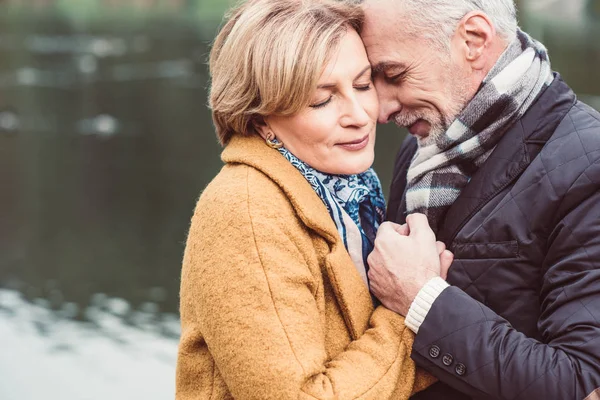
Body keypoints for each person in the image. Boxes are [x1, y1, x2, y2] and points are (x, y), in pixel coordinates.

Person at [175, 0, 452, 398]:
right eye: (322, 100)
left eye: (362, 85)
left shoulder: (352, 194)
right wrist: (412, 309)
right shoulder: (246, 212)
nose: (359, 114)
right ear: (261, 121)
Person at [360, 0, 600, 399]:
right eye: (372, 81)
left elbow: (580, 382)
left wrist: (423, 300)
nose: (381, 109)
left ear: (473, 40)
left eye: (395, 75)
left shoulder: (590, 165)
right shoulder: (421, 148)